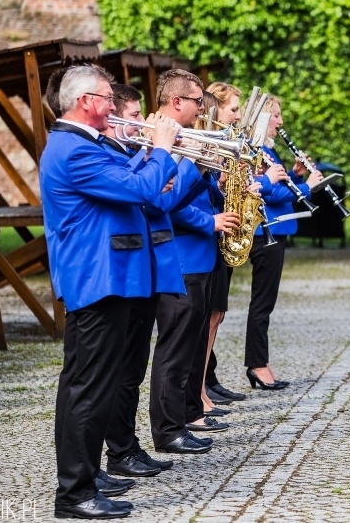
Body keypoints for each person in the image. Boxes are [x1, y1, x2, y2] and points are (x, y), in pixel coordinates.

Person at [41, 64, 179, 519]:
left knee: (85, 384)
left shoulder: (84, 144)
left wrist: (153, 154)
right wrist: (162, 148)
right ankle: (75, 493)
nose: (113, 107)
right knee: (89, 387)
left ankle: (88, 474)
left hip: (106, 277)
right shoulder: (73, 149)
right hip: (97, 279)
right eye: (106, 97)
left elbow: (129, 182)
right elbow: (139, 187)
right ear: (86, 102)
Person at [149, 69, 238, 456]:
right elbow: (165, 204)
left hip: (199, 254)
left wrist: (210, 179)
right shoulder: (164, 144)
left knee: (190, 345)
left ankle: (186, 414)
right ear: (177, 102)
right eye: (198, 100)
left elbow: (187, 192)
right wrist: (209, 218)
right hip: (181, 255)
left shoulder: (183, 141)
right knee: (174, 349)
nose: (204, 108)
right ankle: (169, 429)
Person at [100, 83, 184, 479]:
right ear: (114, 118)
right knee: (121, 368)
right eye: (134, 117)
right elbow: (135, 194)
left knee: (134, 365)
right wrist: (156, 156)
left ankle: (127, 445)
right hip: (126, 271)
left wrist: (177, 172)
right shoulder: (110, 155)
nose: (140, 123)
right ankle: (118, 450)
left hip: (148, 270)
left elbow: (161, 203)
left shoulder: (134, 155)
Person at [244, 95, 323, 390]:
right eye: (276, 116)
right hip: (267, 230)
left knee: (266, 301)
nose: (281, 122)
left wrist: (295, 175)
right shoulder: (257, 152)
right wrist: (307, 187)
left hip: (277, 229)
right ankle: (257, 364)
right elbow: (270, 194)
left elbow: (280, 185)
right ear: (264, 120)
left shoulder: (268, 151)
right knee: (262, 302)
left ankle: (260, 362)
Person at [201, 82, 248, 408]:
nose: (237, 116)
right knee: (205, 318)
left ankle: (206, 383)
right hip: (204, 238)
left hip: (218, 232)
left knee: (215, 316)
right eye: (233, 109)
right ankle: (199, 390)